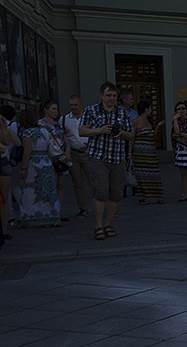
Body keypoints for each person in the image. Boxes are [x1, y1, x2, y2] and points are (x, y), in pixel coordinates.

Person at [80, 81, 135, 240]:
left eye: (114, 96)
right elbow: (82, 130)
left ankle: (108, 224)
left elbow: (131, 135)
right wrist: (100, 130)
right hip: (98, 157)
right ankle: (98, 226)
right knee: (101, 192)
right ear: (101, 96)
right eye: (108, 95)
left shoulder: (122, 113)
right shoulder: (91, 110)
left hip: (117, 157)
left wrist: (121, 133)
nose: (111, 98)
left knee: (116, 194)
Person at [14, 105, 62, 227]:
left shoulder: (27, 133)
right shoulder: (45, 130)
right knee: (48, 190)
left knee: (31, 190)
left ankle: (31, 215)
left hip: (34, 164)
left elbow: (27, 152)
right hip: (46, 162)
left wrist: (23, 168)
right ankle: (51, 215)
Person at [39, 100, 71, 221]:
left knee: (59, 184)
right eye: (53, 109)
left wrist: (67, 151)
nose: (56, 111)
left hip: (60, 157)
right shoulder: (40, 124)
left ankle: (58, 211)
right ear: (45, 110)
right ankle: (47, 211)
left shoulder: (58, 124)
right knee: (48, 184)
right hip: (47, 157)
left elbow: (65, 139)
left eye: (56, 109)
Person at [61, 95, 92, 217]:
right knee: (77, 182)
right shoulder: (64, 119)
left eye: (75, 105)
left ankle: (98, 204)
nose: (73, 107)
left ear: (81, 104)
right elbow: (61, 135)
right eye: (71, 105)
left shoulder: (89, 117)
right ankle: (83, 207)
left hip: (88, 152)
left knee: (93, 180)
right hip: (73, 153)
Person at [132, 100, 164, 204]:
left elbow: (153, 136)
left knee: (153, 173)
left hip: (150, 151)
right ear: (146, 109)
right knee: (142, 174)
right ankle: (145, 196)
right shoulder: (137, 121)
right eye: (150, 108)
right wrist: (130, 153)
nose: (151, 110)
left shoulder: (148, 121)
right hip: (140, 152)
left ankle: (155, 196)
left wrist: (158, 126)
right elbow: (132, 138)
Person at [0, 107, 21, 243]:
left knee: (4, 199)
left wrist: (4, 127)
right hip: (3, 162)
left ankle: (4, 230)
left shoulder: (4, 128)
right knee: (3, 199)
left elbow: (16, 142)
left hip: (2, 163)